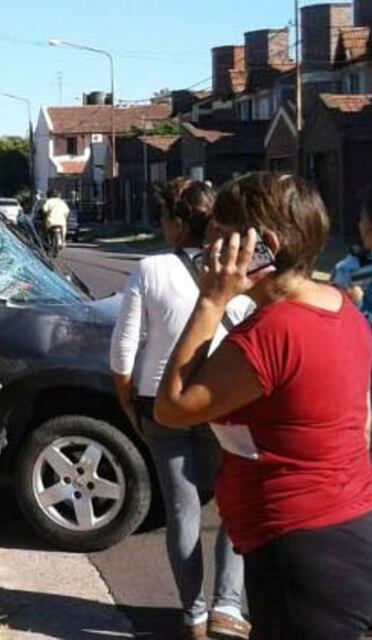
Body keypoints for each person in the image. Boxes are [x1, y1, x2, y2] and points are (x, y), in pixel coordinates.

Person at [155, 173, 372, 639]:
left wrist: (212, 302)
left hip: (298, 548)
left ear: (263, 245)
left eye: (218, 235)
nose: (208, 250)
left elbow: (171, 407)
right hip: (341, 528)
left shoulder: (273, 332)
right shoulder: (338, 305)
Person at [110, 177, 252, 640]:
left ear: (174, 224)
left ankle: (192, 617)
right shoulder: (236, 269)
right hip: (221, 402)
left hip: (159, 402)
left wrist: (127, 399)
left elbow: (123, 349)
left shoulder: (150, 269)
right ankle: (227, 606)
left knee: (183, 511)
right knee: (233, 505)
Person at [331, 185, 372, 323]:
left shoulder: (346, 270)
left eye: (363, 220)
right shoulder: (349, 266)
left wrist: (359, 303)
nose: (360, 225)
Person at [40, 190, 70, 254]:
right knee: (64, 228)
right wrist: (65, 218)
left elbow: (44, 210)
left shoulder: (49, 201)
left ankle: (46, 240)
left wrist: (45, 214)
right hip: (61, 221)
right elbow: (67, 212)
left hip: (51, 221)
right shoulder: (62, 202)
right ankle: (63, 241)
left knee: (44, 230)